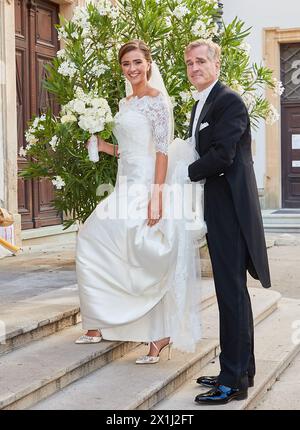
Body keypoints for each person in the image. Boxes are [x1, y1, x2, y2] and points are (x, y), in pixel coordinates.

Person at [75, 39, 206, 363]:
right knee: (93, 239)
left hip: (147, 184)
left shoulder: (156, 101)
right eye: (126, 64)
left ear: (148, 64)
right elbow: (131, 147)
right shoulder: (125, 102)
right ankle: (100, 321)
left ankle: (159, 336)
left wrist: (156, 196)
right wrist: (103, 146)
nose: (132, 69)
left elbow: (161, 151)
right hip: (123, 182)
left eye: (137, 62)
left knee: (148, 255)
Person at [185, 39, 271, 405]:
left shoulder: (229, 101)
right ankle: (239, 369)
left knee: (231, 295)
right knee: (231, 293)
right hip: (217, 207)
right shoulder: (201, 102)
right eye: (189, 63)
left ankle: (233, 382)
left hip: (232, 211)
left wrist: (182, 172)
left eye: (201, 61)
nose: (194, 68)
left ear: (217, 64)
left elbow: (222, 155)